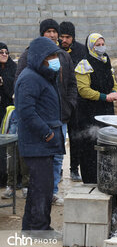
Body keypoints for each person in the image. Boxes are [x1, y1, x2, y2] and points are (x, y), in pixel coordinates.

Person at [15, 19, 77, 206]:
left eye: (54, 31)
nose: (52, 35)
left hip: (61, 117)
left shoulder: (63, 56)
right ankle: (37, 197)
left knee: (57, 157)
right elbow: (24, 99)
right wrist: (44, 128)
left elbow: (72, 84)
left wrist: (70, 105)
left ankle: (52, 192)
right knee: (40, 165)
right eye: (48, 31)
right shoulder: (29, 57)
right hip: (42, 123)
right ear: (42, 34)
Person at [15, 36, 65, 231]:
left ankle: (31, 228)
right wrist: (47, 134)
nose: (54, 59)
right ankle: (40, 229)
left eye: (55, 55)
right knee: (41, 190)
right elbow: (26, 112)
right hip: (38, 144)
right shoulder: (29, 78)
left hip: (43, 144)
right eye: (50, 56)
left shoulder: (43, 76)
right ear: (38, 58)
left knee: (39, 189)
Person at [75, 33, 117, 184]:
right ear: (90, 47)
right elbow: (83, 90)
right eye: (97, 45)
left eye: (102, 44)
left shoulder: (106, 61)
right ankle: (90, 179)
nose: (101, 48)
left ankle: (105, 178)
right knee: (90, 146)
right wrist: (103, 97)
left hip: (106, 111)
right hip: (89, 112)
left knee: (106, 144)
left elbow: (113, 82)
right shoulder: (84, 64)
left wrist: (114, 92)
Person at [59, 21, 86, 182]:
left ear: (73, 37)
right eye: (62, 36)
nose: (64, 40)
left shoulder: (81, 51)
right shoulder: (54, 52)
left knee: (76, 137)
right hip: (60, 101)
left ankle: (74, 168)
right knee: (59, 138)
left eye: (67, 37)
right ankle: (59, 170)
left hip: (77, 102)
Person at [0, 42, 24, 199]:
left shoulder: (12, 69)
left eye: (6, 52)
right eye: (0, 52)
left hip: (9, 114)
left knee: (11, 148)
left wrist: (3, 83)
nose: (4, 54)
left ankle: (14, 180)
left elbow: (15, 90)